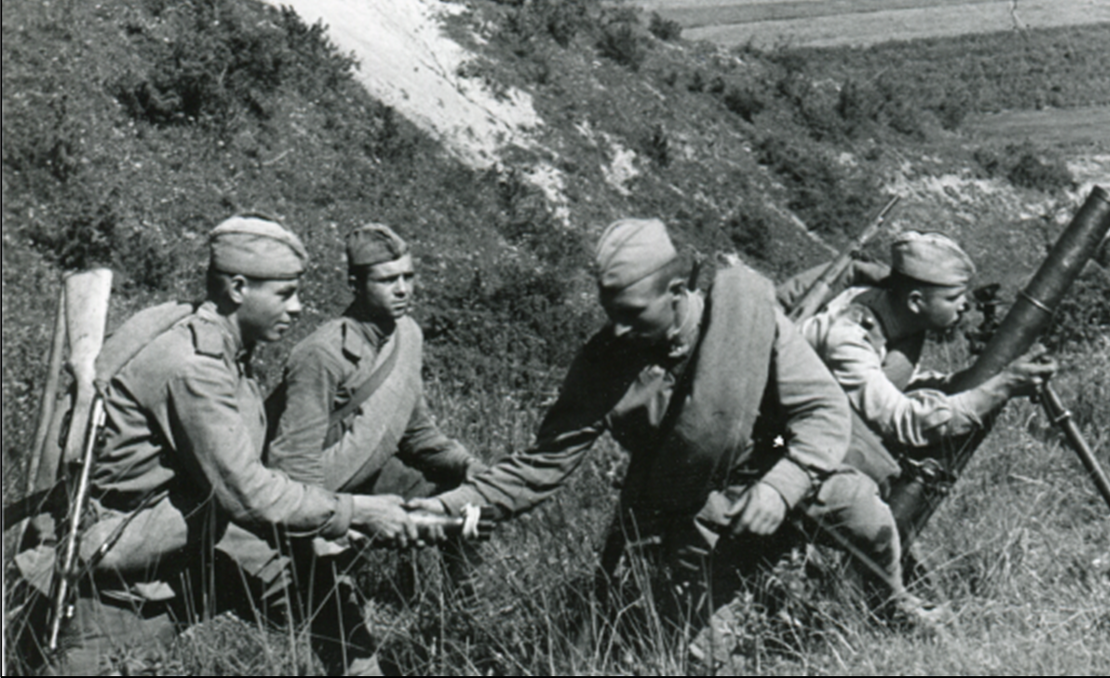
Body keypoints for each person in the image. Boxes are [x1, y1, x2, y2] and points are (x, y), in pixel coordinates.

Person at [416, 218, 930, 667]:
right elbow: (539, 467)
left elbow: (822, 412)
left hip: (784, 474)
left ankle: (889, 606)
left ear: (678, 289)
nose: (617, 328)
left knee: (869, 519)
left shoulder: (746, 320)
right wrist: (445, 509)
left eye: (633, 312)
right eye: (609, 311)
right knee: (701, 655)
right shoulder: (604, 365)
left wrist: (780, 488)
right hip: (697, 514)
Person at [22, 215, 431, 677]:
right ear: (238, 288)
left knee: (315, 580)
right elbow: (249, 494)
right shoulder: (193, 368)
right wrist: (355, 511)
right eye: (284, 293)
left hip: (187, 546)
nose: (297, 308)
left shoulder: (224, 349)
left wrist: (328, 516)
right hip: (124, 585)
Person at [266, 224, 482, 612]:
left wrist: (466, 465)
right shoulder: (322, 354)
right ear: (356, 284)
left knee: (469, 504)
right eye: (387, 280)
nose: (403, 289)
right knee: (320, 607)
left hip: (371, 477)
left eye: (408, 277)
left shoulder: (408, 336)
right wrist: (333, 524)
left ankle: (465, 608)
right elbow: (293, 464)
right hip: (324, 492)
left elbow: (415, 432)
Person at [798, 230, 1057, 460]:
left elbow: (898, 382)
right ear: (916, 301)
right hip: (790, 439)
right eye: (953, 297)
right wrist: (1002, 386)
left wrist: (977, 380)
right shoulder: (848, 340)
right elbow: (901, 420)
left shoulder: (895, 315)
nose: (964, 304)